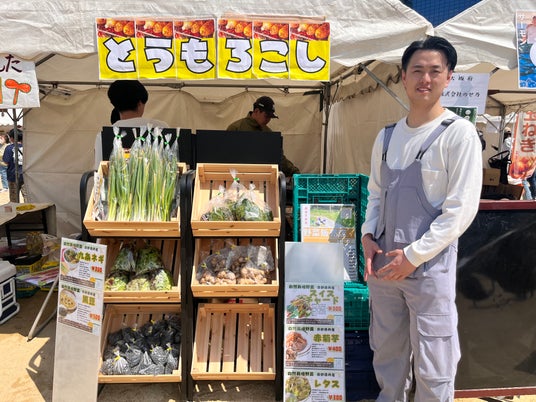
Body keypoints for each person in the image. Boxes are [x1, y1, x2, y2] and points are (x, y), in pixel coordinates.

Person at [360, 36, 482, 401]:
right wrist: (367, 236)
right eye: (417, 70)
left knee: (434, 362)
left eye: (434, 71)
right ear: (402, 76)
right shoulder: (386, 137)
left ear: (449, 77)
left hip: (428, 270)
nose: (424, 79)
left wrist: (413, 256)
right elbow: (375, 194)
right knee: (387, 354)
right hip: (384, 268)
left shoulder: (458, 135)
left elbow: (460, 210)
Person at [95, 80, 169, 168]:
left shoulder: (103, 135)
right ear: (140, 104)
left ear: (115, 105)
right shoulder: (161, 128)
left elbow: (99, 169)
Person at [226, 96, 300, 178]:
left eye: (270, 117)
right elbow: (225, 156)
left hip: (262, 179)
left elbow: (278, 157)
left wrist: (294, 171)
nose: (268, 120)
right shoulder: (236, 128)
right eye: (266, 116)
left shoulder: (268, 133)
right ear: (256, 111)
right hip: (237, 178)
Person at [3, 128, 28, 203]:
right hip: (25, 176)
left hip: (12, 176)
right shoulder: (27, 147)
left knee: (14, 200)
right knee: (27, 198)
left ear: (12, 138)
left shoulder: (9, 148)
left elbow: (6, 161)